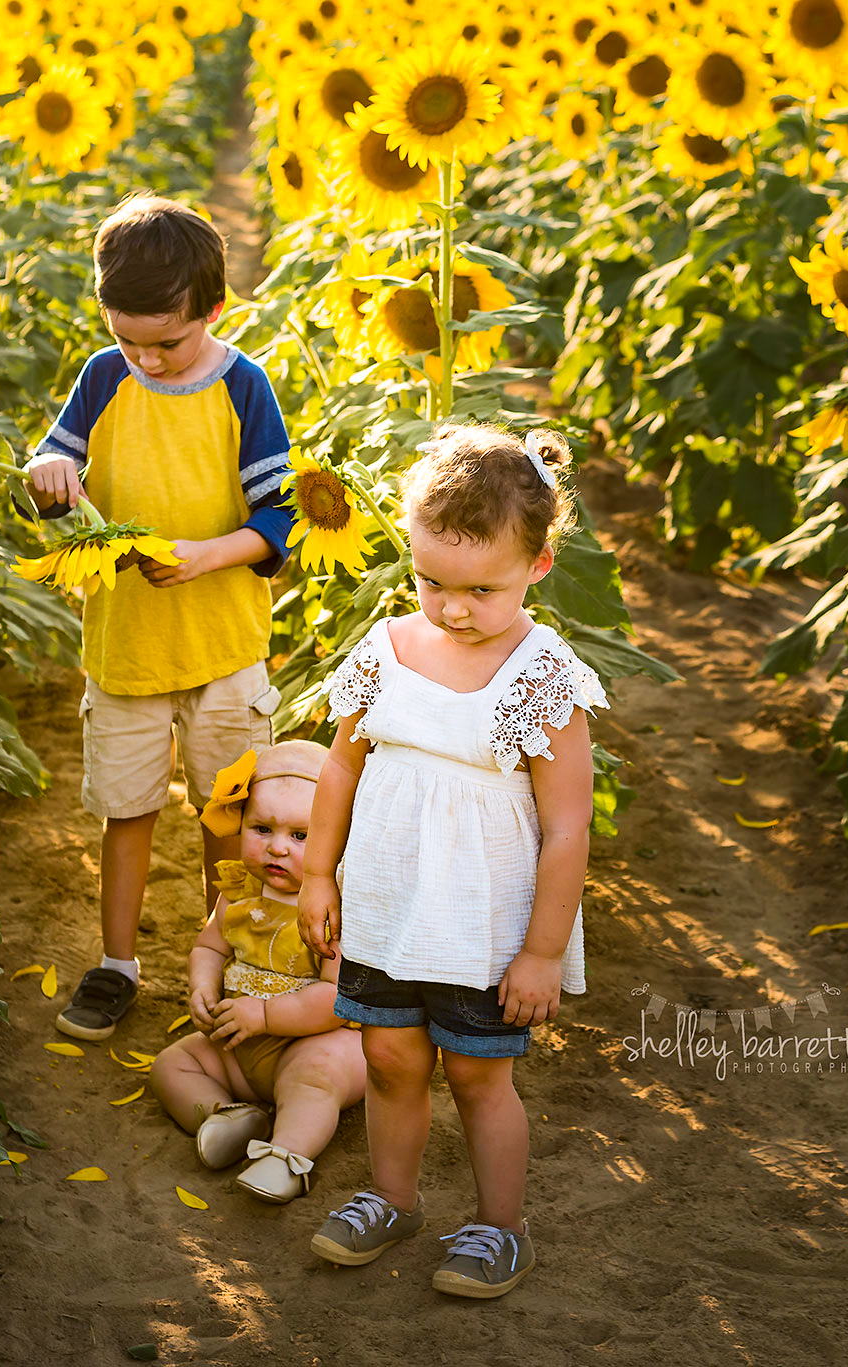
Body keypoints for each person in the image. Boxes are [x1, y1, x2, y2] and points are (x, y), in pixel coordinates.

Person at [299, 423, 605, 1300]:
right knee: (390, 1061)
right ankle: (391, 1198)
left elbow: (568, 827)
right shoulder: (389, 651)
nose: (452, 608)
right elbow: (342, 763)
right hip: (390, 907)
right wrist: (320, 873)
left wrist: (542, 950)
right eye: (430, 581)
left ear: (538, 567)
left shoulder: (542, 673)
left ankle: (499, 1227)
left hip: (481, 925)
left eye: (481, 588)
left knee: (478, 1075)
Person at [25, 193, 296, 1042]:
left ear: (215, 310)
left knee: (229, 818)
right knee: (127, 811)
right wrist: (47, 474)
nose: (146, 358)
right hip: (126, 648)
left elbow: (278, 523)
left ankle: (236, 955)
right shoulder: (106, 375)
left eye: (166, 342)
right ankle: (117, 966)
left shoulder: (243, 387)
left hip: (221, 648)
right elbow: (57, 457)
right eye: (126, 337)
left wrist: (202, 555)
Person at [150, 741, 367, 1203]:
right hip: (242, 1041)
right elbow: (210, 944)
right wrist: (203, 985)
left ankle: (286, 1155)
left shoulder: (335, 907)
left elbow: (335, 997)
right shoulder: (238, 888)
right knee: (174, 1064)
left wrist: (267, 1017)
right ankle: (227, 1115)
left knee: (316, 1077)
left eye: (301, 836)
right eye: (262, 828)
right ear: (242, 823)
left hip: (313, 1041)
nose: (277, 848)